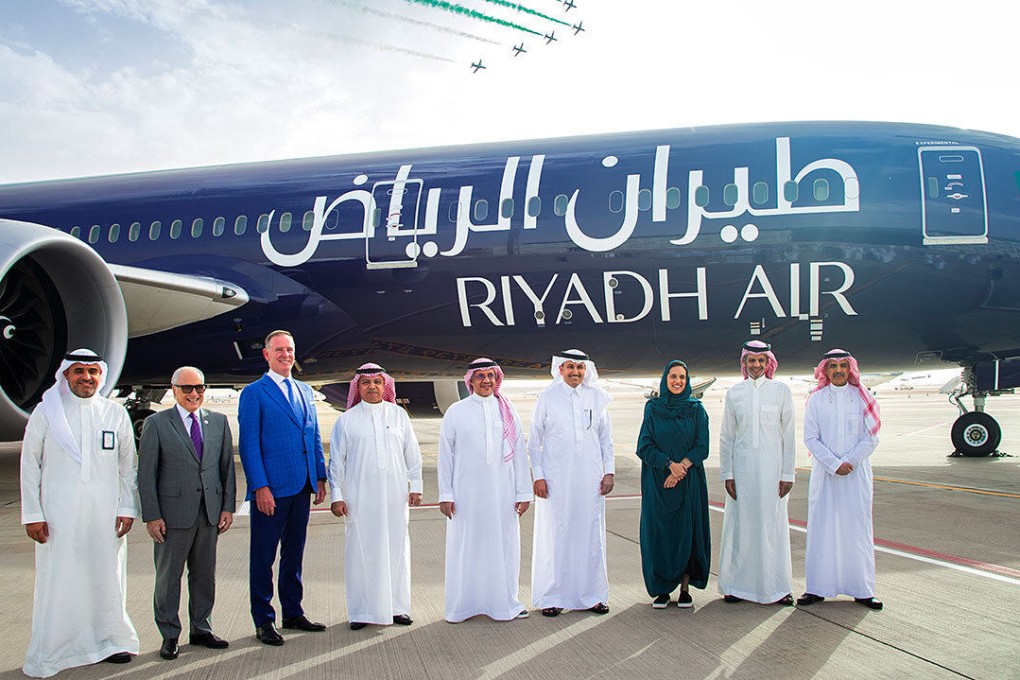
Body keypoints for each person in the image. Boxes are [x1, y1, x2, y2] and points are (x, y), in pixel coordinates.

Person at [20, 349, 140, 677]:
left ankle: (111, 641)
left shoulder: (115, 414)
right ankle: (55, 651)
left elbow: (127, 467)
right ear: (66, 375)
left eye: (92, 372)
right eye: (79, 371)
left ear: (101, 375)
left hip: (105, 517)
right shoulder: (47, 413)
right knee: (60, 580)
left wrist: (127, 508)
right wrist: (33, 514)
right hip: (58, 516)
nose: (87, 378)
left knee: (107, 577)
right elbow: (29, 465)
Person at [137, 366, 237, 660]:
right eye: (187, 388)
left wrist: (227, 507)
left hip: (209, 513)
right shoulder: (157, 423)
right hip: (172, 516)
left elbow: (225, 469)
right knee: (169, 578)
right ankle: (169, 635)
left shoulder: (217, 421)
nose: (194, 393)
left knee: (204, 576)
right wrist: (152, 515)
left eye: (199, 388)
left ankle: (201, 628)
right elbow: (146, 474)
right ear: (174, 390)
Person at [238, 330, 329, 645]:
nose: (285, 355)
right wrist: (259, 487)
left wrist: (319, 475)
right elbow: (248, 445)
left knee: (294, 555)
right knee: (263, 557)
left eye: (289, 350)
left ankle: (293, 611)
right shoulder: (255, 393)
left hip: (302, 486)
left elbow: (312, 435)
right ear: (266, 354)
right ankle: (263, 620)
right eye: (279, 350)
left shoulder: (304, 390)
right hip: (272, 490)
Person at [328, 363, 423, 631]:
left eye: (377, 382)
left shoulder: (399, 416)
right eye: (366, 383)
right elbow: (337, 462)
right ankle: (361, 611)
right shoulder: (346, 420)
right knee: (360, 552)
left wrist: (415, 485)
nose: (372, 387)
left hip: (395, 496)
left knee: (397, 551)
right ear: (357, 387)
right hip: (359, 497)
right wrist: (337, 495)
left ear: (385, 386)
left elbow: (412, 454)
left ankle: (398, 608)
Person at [438, 358, 532, 623]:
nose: (486, 380)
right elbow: (445, 455)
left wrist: (523, 493)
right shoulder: (456, 411)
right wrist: (446, 494)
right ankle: (462, 607)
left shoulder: (508, 410)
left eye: (491, 375)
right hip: (466, 493)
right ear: (470, 381)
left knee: (503, 548)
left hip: (502, 493)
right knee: (467, 547)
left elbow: (519, 455)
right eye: (480, 376)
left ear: (497, 379)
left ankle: (504, 603)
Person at [530, 349, 614, 617]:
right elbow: (533, 442)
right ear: (560, 369)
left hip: (590, 479)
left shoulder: (598, 397)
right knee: (558, 534)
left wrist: (608, 471)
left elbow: (605, 439)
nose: (575, 372)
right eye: (570, 367)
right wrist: (538, 476)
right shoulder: (547, 398)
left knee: (590, 535)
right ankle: (553, 596)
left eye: (579, 368)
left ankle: (593, 595)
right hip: (556, 478)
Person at [798, 349, 884, 610]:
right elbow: (810, 438)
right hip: (825, 475)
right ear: (825, 370)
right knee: (822, 529)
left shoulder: (862, 397)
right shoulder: (816, 399)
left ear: (850, 369)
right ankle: (816, 588)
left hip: (856, 476)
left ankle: (862, 590)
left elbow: (872, 436)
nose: (838, 370)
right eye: (833, 366)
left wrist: (850, 461)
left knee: (856, 530)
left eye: (843, 366)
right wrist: (835, 464)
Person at [717, 341, 796, 605]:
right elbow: (727, 436)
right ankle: (738, 587)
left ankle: (778, 588)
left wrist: (788, 474)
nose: (756, 365)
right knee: (742, 526)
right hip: (742, 471)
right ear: (744, 363)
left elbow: (789, 435)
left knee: (773, 526)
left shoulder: (781, 391)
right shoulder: (734, 393)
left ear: (768, 363)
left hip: (773, 472)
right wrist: (727, 472)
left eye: (761, 360)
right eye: (751, 360)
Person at [636, 360, 711, 609]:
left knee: (688, 533)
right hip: (658, 482)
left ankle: (685, 589)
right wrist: (669, 465)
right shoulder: (653, 408)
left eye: (682, 377)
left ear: (687, 381)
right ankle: (662, 590)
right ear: (665, 380)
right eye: (673, 377)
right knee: (661, 534)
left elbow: (702, 445)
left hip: (689, 481)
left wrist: (681, 469)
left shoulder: (696, 409)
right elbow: (644, 445)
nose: (677, 381)